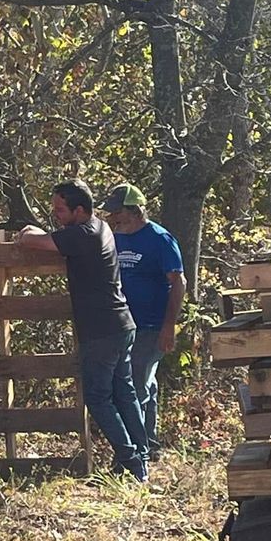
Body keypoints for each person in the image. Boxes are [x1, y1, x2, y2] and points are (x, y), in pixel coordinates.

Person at [15, 179, 148, 480]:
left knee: (99, 398)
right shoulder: (100, 227)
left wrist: (25, 233)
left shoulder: (83, 233)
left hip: (101, 329)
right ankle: (139, 455)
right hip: (119, 324)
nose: (56, 216)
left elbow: (36, 241)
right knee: (123, 392)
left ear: (78, 210)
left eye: (60, 210)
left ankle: (131, 460)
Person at [101, 183, 186, 461]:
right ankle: (148, 443)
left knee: (135, 386)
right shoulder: (115, 238)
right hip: (124, 327)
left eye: (119, 212)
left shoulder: (160, 239)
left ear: (136, 210)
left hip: (152, 327)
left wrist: (168, 326)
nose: (114, 219)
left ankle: (135, 452)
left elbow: (179, 283)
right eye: (111, 214)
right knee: (143, 385)